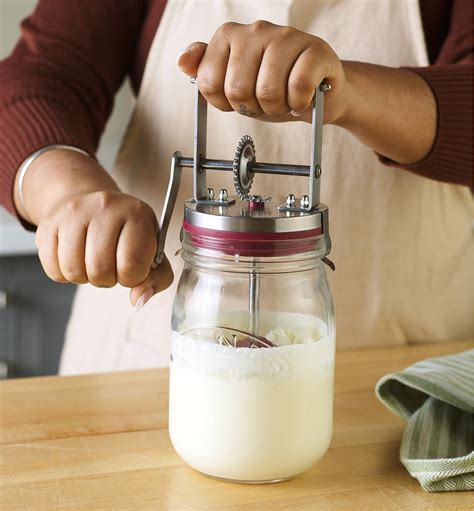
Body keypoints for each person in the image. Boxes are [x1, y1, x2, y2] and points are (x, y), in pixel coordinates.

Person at [0, 0, 472, 374]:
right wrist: (68, 193)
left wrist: (349, 92)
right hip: (144, 364)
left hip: (405, 373)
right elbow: (45, 73)